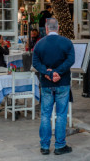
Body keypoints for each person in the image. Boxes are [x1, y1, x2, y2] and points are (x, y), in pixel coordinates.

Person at [32, 18, 74, 156]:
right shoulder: (67, 42)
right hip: (62, 82)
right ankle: (60, 145)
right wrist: (58, 72)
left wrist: (48, 72)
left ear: (46, 28)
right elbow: (71, 60)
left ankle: (44, 146)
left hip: (46, 84)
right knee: (61, 115)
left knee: (45, 115)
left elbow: (36, 62)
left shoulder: (39, 44)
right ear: (58, 27)